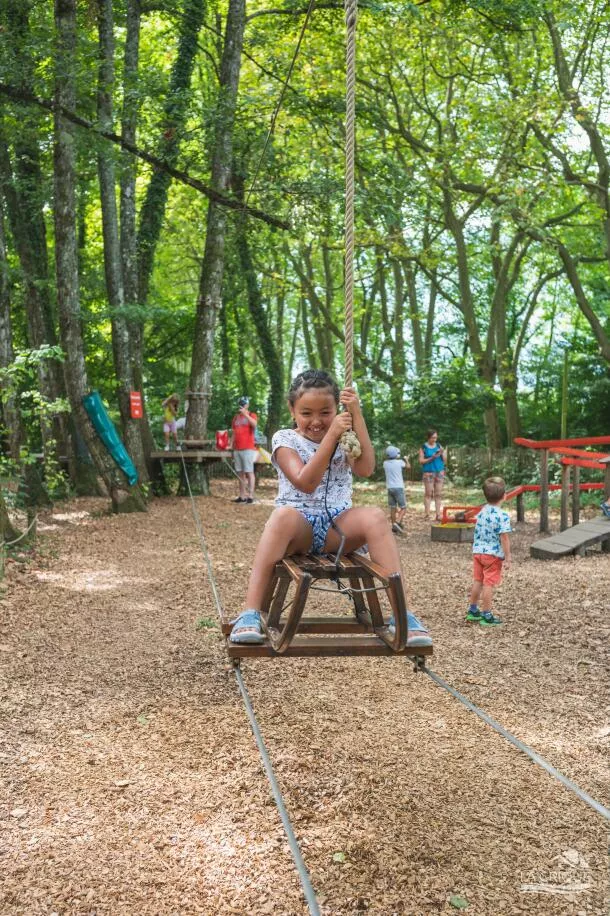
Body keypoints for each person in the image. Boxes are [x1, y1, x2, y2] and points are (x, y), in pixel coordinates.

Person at [229, 369, 431, 647]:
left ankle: (402, 615)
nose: (316, 421)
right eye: (306, 413)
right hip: (298, 530)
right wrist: (331, 436)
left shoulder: (344, 436)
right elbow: (305, 482)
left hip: (339, 528)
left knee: (373, 515)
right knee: (282, 516)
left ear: (338, 409)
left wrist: (356, 417)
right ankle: (249, 613)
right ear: (292, 409)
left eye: (325, 413)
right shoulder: (284, 439)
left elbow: (366, 468)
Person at [466, 476, 512, 627]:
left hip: (478, 551)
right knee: (488, 584)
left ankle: (473, 611)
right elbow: (504, 538)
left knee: (478, 581)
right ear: (504, 495)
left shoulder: (482, 511)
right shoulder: (502, 515)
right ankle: (487, 615)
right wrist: (508, 556)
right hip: (492, 555)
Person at [230, 396, 258, 504]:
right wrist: (230, 444)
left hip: (248, 448)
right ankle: (242, 496)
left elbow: (255, 425)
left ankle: (250, 496)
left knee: (249, 471)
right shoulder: (236, 417)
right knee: (240, 473)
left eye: (243, 403)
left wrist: (245, 414)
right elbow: (234, 432)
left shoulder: (252, 415)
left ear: (247, 405)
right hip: (237, 448)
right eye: (240, 404)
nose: (241, 405)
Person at [419, 429, 447, 521]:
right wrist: (432, 457)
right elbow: (421, 461)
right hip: (428, 473)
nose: (435, 439)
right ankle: (427, 514)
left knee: (438, 494)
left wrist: (442, 453)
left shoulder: (439, 446)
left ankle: (438, 515)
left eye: (436, 437)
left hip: (439, 472)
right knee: (428, 494)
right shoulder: (423, 447)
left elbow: (445, 460)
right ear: (428, 437)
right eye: (432, 438)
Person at [383, 445, 409, 533]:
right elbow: (408, 467)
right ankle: (397, 523)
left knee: (393, 508)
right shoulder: (400, 462)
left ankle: (394, 527)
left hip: (390, 488)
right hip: (399, 487)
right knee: (403, 507)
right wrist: (406, 459)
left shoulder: (385, 463)